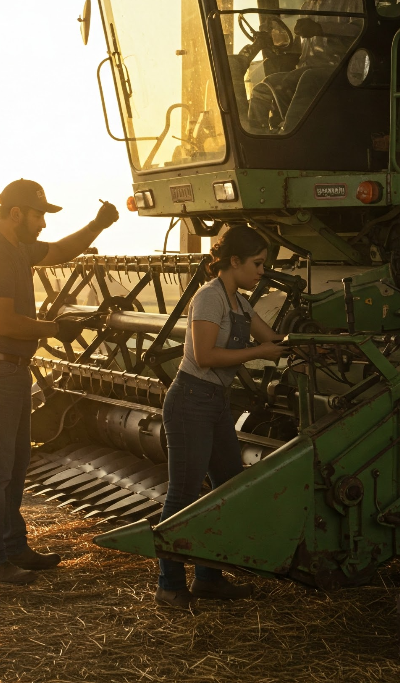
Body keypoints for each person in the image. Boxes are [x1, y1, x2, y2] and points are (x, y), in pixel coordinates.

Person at [0, 179, 119, 585]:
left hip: (8, 369)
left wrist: (96, 225)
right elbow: (5, 322)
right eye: (39, 215)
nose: (43, 224)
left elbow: (60, 251)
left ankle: (13, 548)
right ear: (16, 213)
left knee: (14, 464)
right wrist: (54, 328)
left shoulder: (16, 247)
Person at [155, 225, 287, 610]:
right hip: (189, 401)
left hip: (215, 403)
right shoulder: (209, 298)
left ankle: (209, 578)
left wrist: (318, 345)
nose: (262, 271)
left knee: (227, 488)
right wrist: (258, 353)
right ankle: (168, 585)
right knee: (183, 494)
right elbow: (206, 356)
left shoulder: (239, 302)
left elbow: (274, 340)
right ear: (234, 261)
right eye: (257, 263)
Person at [247, 0, 363, 133]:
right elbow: (306, 46)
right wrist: (275, 42)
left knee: (308, 78)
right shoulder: (307, 5)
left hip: (340, 71)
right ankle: (258, 138)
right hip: (305, 70)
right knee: (265, 86)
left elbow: (360, 32)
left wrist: (320, 29)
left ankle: (289, 136)